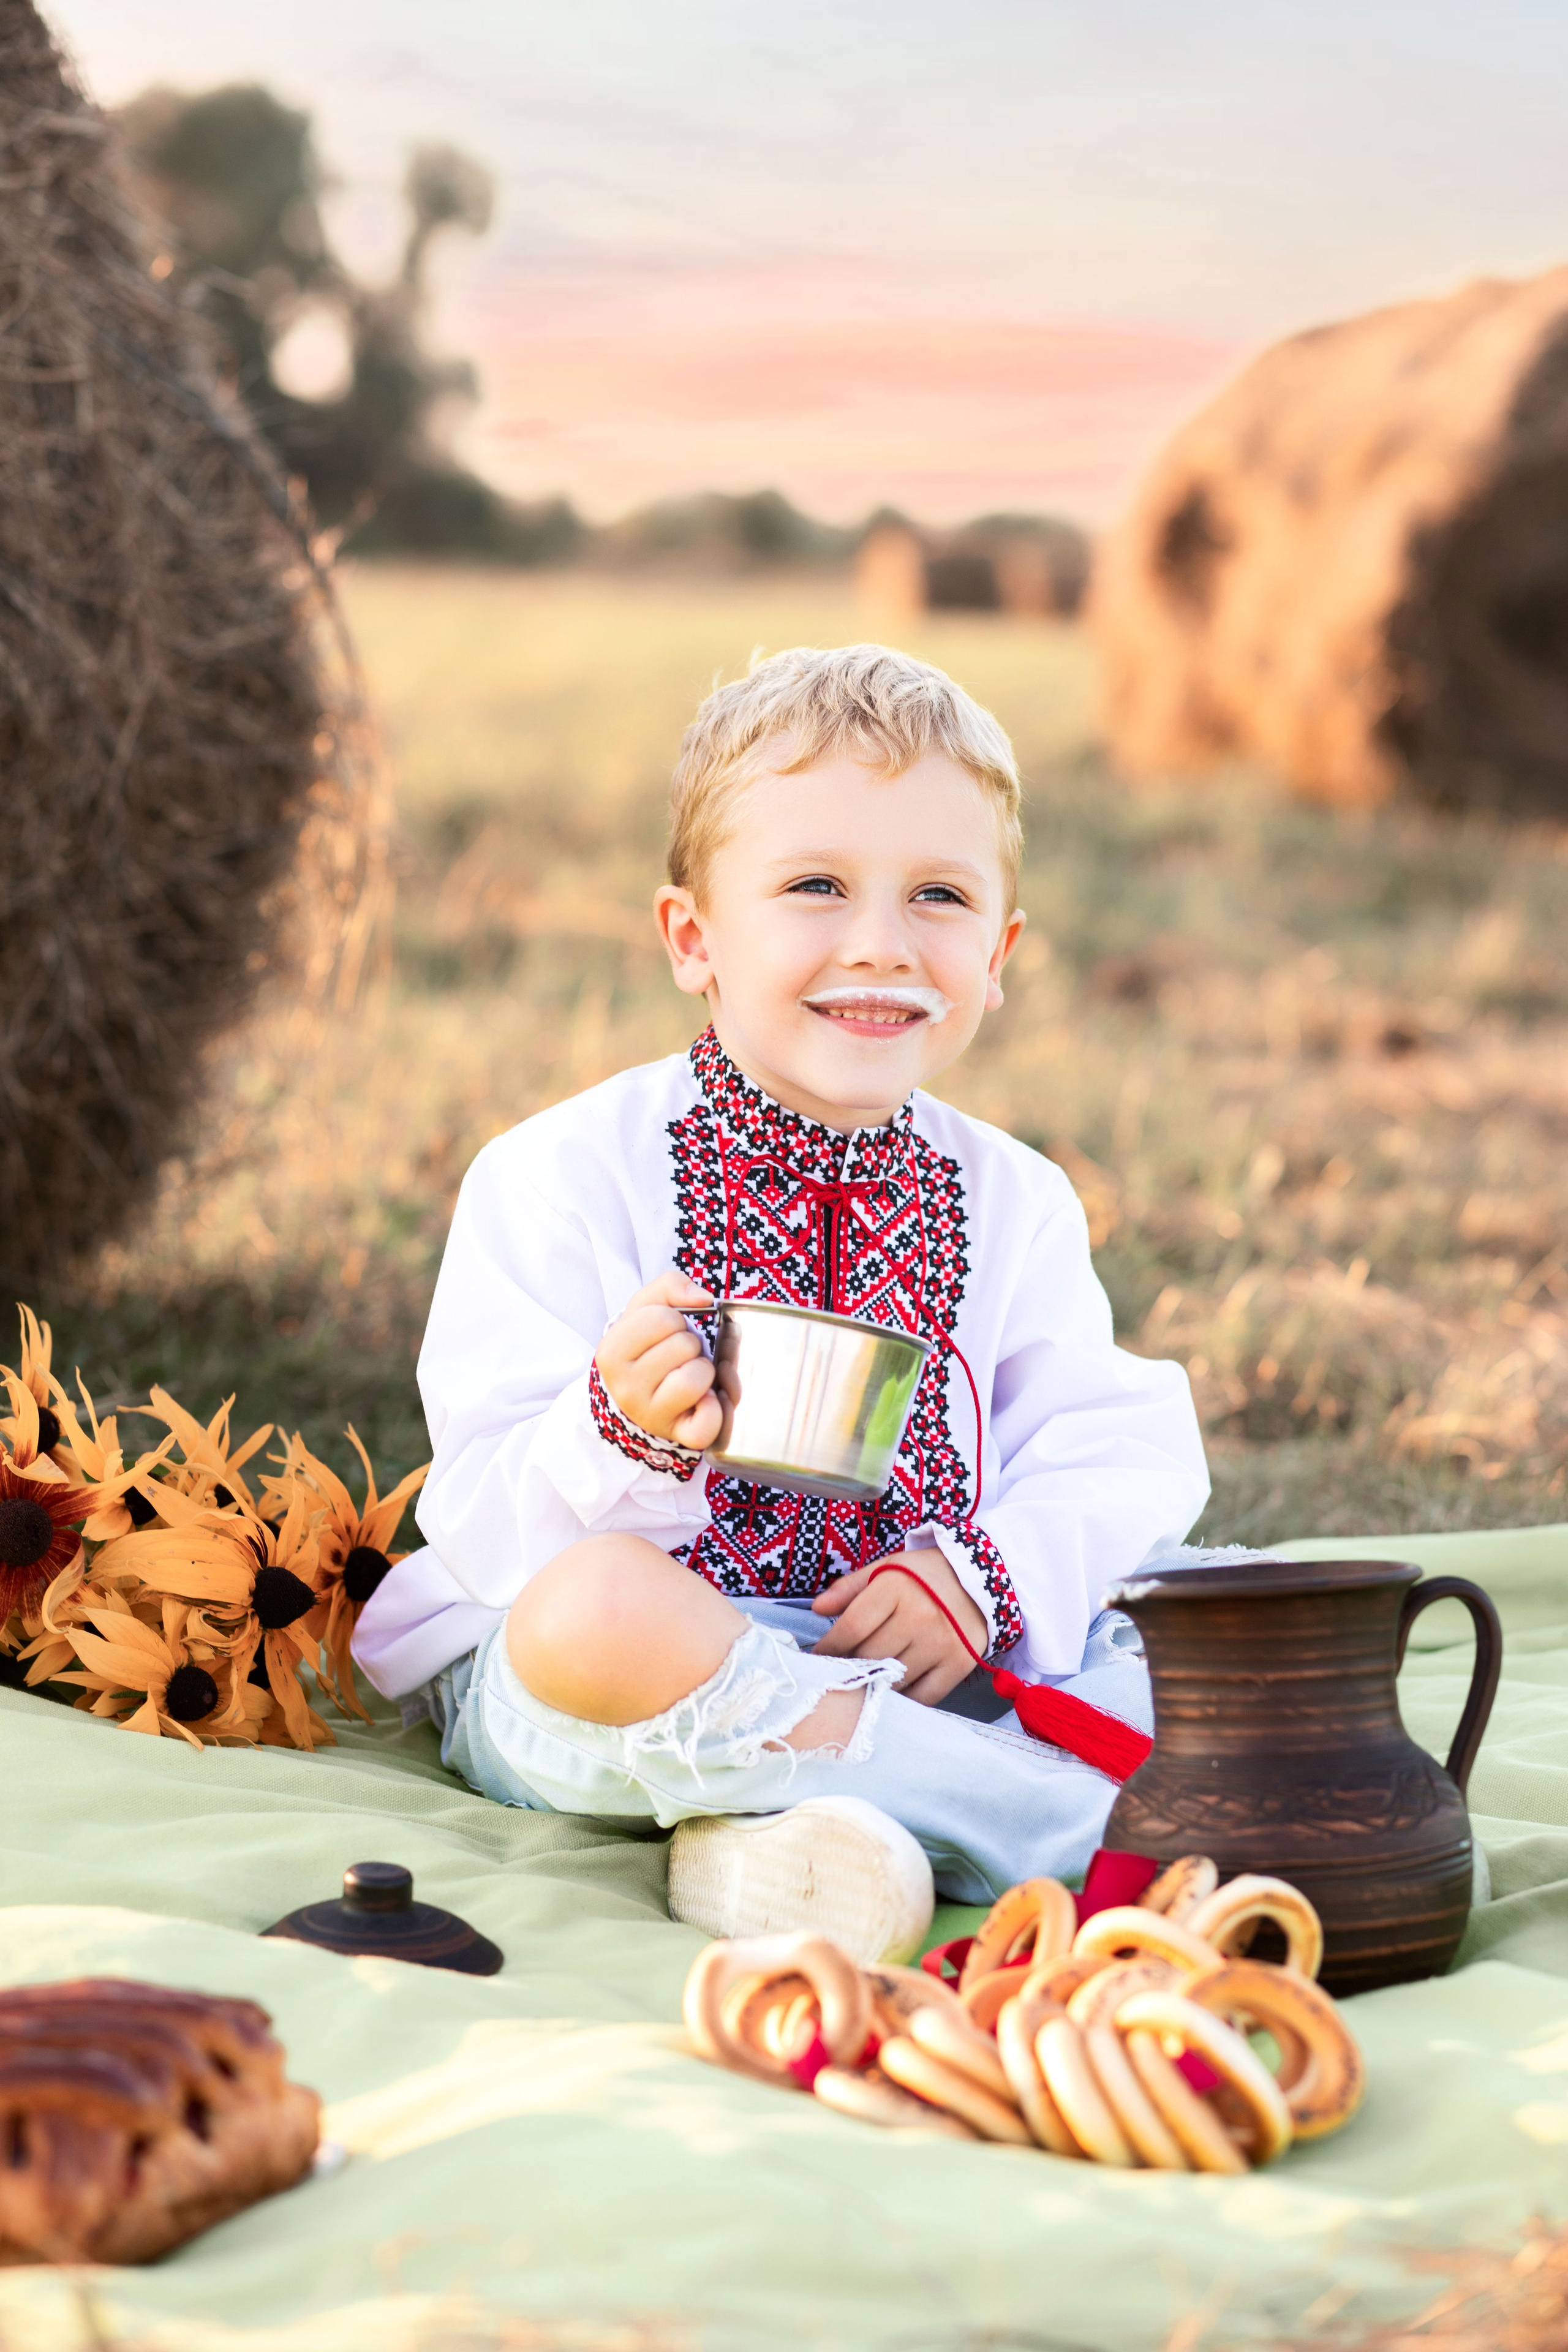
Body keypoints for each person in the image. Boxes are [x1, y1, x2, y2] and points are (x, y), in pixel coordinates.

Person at [356, 644, 1210, 1961]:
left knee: (1205, 1615)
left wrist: (976, 1580)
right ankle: (1051, 1824)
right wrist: (614, 1427)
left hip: (918, 1663)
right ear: (693, 938)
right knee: (592, 1611)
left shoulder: (1012, 1199)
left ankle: (787, 1849)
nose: (879, 943)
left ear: (999, 954)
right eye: (814, 887)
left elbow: (1108, 1445)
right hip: (636, 1678)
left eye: (938, 896)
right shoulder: (559, 1174)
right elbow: (478, 1524)